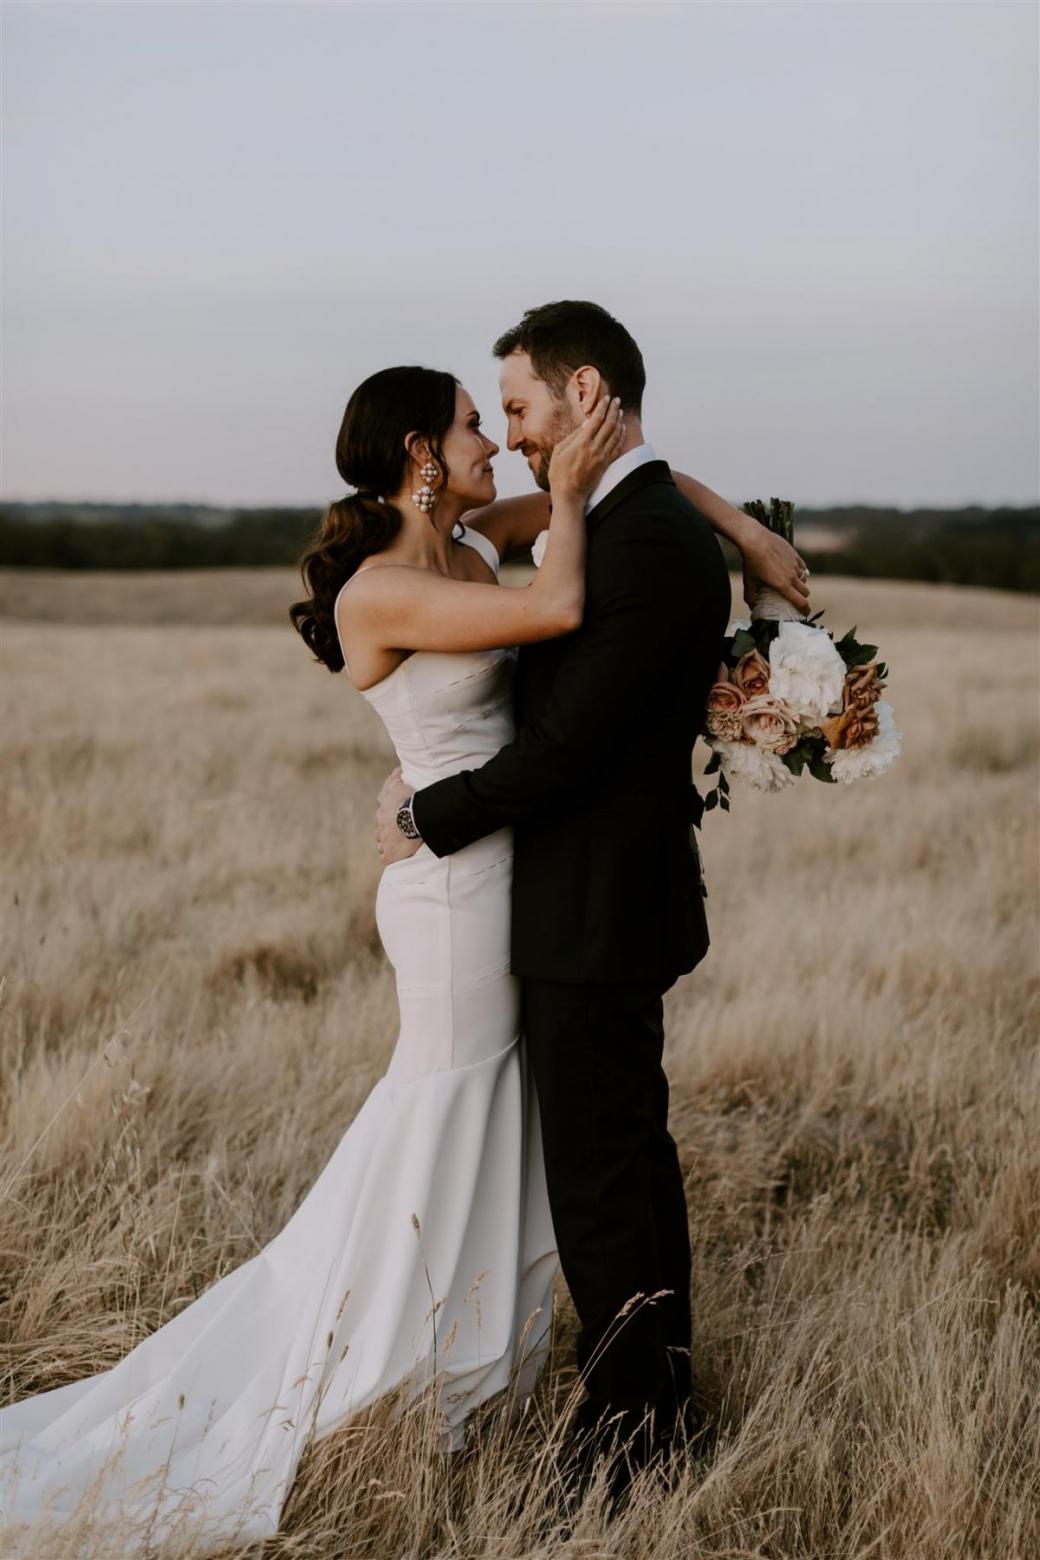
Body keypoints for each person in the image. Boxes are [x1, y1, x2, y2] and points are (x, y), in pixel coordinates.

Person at [0, 347, 807, 1548]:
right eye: (480, 426)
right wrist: (577, 492)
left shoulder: (471, 544)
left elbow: (641, 479)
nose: (501, 445)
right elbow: (555, 609)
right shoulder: (376, 589)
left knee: (499, 1111)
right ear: (423, 453)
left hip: (508, 871)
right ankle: (369, 1358)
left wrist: (747, 530)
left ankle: (471, 1348)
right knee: (441, 1105)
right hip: (444, 891)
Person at [373, 301, 810, 1499]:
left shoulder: (645, 541)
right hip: (587, 896)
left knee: (604, 1175)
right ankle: (652, 1394)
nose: (508, 434)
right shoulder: (626, 517)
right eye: (492, 418)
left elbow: (562, 751)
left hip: (593, 906)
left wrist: (424, 817)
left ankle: (628, 1442)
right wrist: (741, 524)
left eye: (514, 406)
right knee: (623, 1158)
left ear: (583, 395)